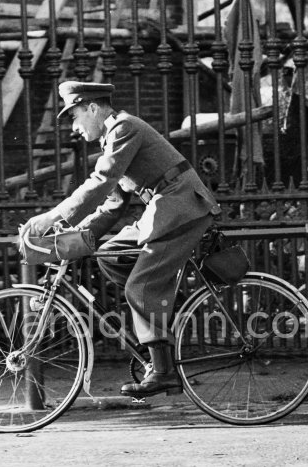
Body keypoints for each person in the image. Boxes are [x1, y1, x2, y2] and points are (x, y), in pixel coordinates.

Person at [21, 80, 220, 398]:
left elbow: (100, 182)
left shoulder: (124, 128)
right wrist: (78, 235)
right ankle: (162, 307)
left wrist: (50, 218)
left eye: (74, 116)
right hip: (166, 208)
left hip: (181, 207)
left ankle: (164, 372)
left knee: (139, 287)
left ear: (93, 108)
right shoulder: (113, 138)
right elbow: (112, 205)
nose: (75, 127)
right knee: (112, 254)